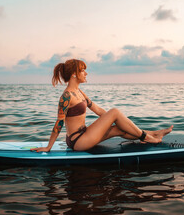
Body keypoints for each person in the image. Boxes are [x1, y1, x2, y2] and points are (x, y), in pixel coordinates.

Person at [31, 59, 173, 152]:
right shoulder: (67, 96)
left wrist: (113, 122)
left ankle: (153, 134)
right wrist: (48, 147)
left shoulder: (79, 92)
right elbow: (59, 123)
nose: (86, 73)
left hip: (85, 134)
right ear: (74, 74)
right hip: (77, 141)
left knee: (118, 129)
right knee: (115, 112)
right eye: (82, 70)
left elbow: (97, 110)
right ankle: (146, 138)